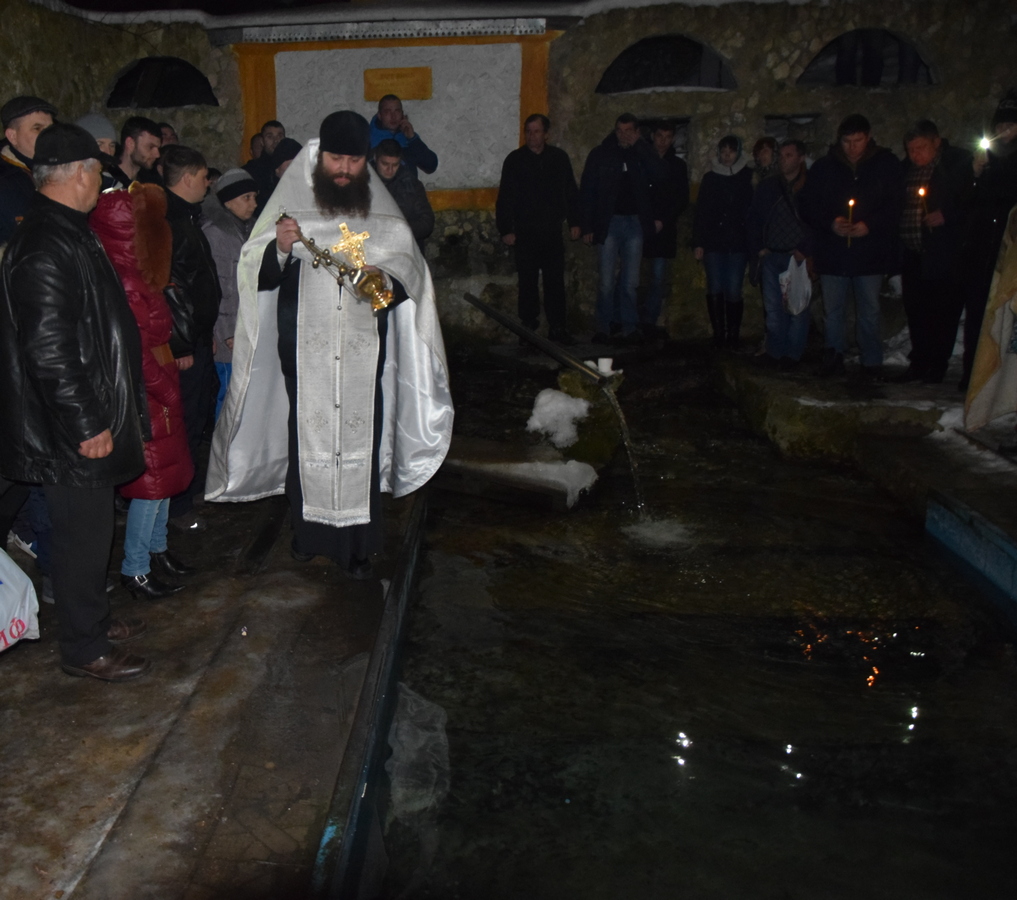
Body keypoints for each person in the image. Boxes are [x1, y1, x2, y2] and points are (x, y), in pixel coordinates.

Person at [206, 110, 453, 578]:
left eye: (353, 161)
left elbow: (410, 273)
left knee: (361, 433)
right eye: (336, 159)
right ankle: (308, 537)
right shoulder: (291, 204)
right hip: (305, 349)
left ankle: (357, 546)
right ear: (321, 158)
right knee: (308, 437)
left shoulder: (381, 211)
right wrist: (280, 249)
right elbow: (257, 272)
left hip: (364, 350)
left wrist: (385, 278)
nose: (344, 169)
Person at [0, 123, 149, 681]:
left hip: (76, 412)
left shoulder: (65, 229)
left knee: (89, 529)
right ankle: (85, 648)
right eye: (98, 174)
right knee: (81, 534)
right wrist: (86, 422)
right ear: (80, 174)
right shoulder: (46, 241)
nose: (101, 186)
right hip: (66, 423)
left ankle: (92, 619)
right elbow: (49, 346)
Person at [90, 181, 195, 600]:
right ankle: (135, 568)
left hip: (158, 381)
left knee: (163, 479)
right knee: (150, 487)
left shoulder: (136, 274)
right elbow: (135, 352)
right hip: (148, 390)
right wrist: (164, 390)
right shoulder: (129, 281)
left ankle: (157, 550)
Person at [800, 114, 903, 377]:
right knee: (833, 310)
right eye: (847, 142)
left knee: (869, 309)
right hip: (833, 252)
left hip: (870, 252)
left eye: (857, 141)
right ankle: (833, 355)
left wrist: (870, 225)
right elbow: (809, 205)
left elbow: (895, 205)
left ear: (868, 138)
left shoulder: (886, 164)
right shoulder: (824, 167)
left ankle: (871, 361)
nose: (852, 147)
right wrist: (831, 223)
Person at [163, 145, 220, 533]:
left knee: (197, 415)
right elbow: (168, 288)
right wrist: (180, 344)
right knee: (181, 421)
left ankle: (189, 487)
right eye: (203, 177)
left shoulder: (187, 216)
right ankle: (176, 504)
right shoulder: (169, 222)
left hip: (197, 337)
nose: (207, 183)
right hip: (182, 345)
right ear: (186, 179)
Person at [894, 120, 973, 384]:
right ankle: (919, 363)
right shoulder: (906, 170)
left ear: (936, 143)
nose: (915, 154)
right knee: (916, 311)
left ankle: (937, 365)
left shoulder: (956, 164)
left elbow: (970, 202)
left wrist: (946, 215)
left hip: (943, 254)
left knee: (942, 312)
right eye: (911, 149)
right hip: (913, 253)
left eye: (921, 148)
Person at [496, 114, 580, 344]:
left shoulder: (559, 159)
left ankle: (558, 327)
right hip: (525, 232)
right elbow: (505, 197)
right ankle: (528, 328)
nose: (532, 136)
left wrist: (575, 221)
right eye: (529, 131)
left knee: (555, 281)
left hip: (552, 231)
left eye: (536, 131)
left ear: (546, 134)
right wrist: (506, 229)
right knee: (527, 282)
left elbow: (570, 192)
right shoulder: (515, 160)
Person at [580, 113, 662, 343]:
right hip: (609, 222)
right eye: (620, 130)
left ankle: (629, 326)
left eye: (628, 131)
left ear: (637, 132)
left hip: (635, 223)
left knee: (630, 282)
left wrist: (641, 147)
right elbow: (588, 190)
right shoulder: (601, 154)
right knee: (606, 281)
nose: (624, 135)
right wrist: (587, 225)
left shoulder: (643, 153)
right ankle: (604, 327)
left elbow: (660, 175)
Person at [958, 92, 1017, 390]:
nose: (1004, 131)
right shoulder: (987, 158)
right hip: (981, 248)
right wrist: (976, 173)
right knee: (978, 310)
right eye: (1001, 125)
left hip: (1009, 250)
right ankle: (973, 374)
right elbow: (966, 200)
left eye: (1011, 125)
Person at [747, 139, 815, 367]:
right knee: (774, 309)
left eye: (789, 155)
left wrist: (805, 249)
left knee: (797, 308)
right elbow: (755, 219)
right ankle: (775, 352)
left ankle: (792, 355)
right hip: (772, 255)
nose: (783, 160)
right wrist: (759, 248)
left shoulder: (810, 186)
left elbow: (817, 221)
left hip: (797, 257)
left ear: (800, 158)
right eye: (781, 155)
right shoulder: (769, 187)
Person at [201, 168, 259, 421]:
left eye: (254, 197)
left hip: (247, 326)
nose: (253, 204)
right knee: (228, 395)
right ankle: (223, 443)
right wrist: (227, 332)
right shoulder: (217, 234)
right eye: (246, 198)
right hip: (229, 334)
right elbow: (221, 287)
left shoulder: (248, 229)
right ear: (227, 201)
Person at [692, 135, 754, 349]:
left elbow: (751, 211)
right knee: (715, 287)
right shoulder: (710, 178)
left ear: (738, 153)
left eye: (731, 151)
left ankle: (733, 335)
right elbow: (701, 212)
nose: (727, 156)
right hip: (714, 241)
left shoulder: (747, 177)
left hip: (738, 242)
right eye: (724, 151)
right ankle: (719, 335)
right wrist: (698, 242)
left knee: (734, 288)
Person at [641, 122, 689, 339]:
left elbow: (681, 198)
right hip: (640, 226)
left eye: (668, 137)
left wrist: (662, 220)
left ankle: (649, 321)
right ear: (653, 136)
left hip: (664, 229)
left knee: (658, 277)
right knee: (630, 276)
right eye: (660, 135)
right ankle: (627, 319)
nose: (663, 141)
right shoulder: (642, 160)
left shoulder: (677, 166)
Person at [0, 95, 56, 246]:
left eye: (50, 129)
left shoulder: (61, 170)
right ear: (12, 136)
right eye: (37, 128)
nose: (48, 136)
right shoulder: (4, 183)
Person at [373, 138, 435, 253]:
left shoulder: (412, 185)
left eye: (395, 165)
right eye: (385, 164)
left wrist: (398, 230)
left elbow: (427, 223)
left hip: (405, 252)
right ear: (376, 158)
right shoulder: (362, 183)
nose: (390, 170)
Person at [369, 95, 438, 180]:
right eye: (387, 112)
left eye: (397, 111)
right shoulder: (368, 140)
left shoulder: (408, 140)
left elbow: (431, 166)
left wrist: (413, 138)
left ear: (402, 114)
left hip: (408, 188)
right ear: (379, 115)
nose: (393, 116)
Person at [106, 116, 162, 191]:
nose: (157, 155)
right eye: (150, 147)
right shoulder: (108, 183)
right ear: (130, 144)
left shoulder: (152, 183)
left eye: (158, 148)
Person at [245, 119, 286, 215]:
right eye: (270, 136)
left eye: (280, 136)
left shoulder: (291, 167)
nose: (276, 140)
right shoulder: (250, 171)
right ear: (262, 141)